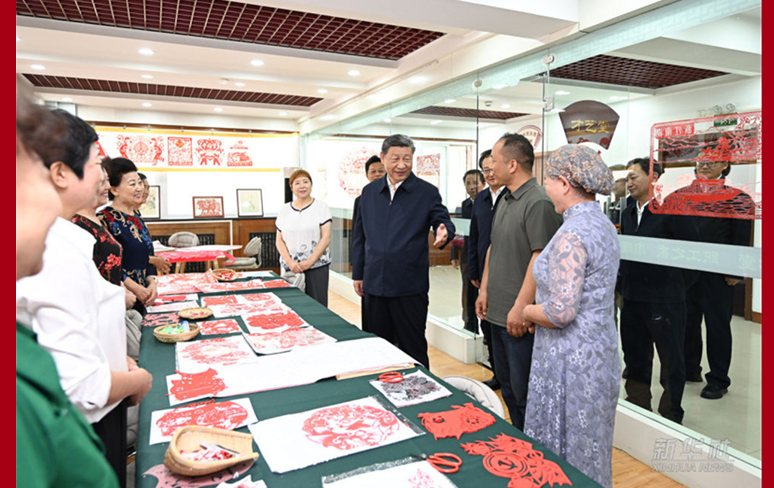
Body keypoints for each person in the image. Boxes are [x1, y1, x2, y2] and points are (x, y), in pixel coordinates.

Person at [16, 109, 153, 488]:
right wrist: (137, 378)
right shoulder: (50, 249)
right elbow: (79, 385)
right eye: (97, 165)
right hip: (95, 413)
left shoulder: (70, 239)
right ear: (60, 173)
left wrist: (115, 358)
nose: (103, 178)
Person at [521, 144, 620, 488]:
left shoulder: (572, 234)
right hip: (599, 353)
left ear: (564, 183)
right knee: (590, 448)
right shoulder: (603, 225)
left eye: (548, 179)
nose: (545, 187)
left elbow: (560, 311)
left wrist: (527, 311)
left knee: (566, 452)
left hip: (570, 362)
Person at [475, 133, 562, 430]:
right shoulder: (505, 198)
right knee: (509, 388)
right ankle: (518, 442)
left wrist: (521, 306)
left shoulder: (538, 202)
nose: (490, 167)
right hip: (497, 311)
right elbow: (493, 247)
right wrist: (484, 289)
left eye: (495, 162)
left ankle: (535, 452)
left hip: (519, 316)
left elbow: (541, 257)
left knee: (526, 392)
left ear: (512, 164)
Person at [352, 134, 455, 368]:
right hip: (374, 283)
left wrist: (444, 230)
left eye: (407, 158)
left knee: (413, 346)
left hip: (409, 285)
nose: (401, 165)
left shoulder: (426, 192)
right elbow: (359, 237)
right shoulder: (368, 193)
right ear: (383, 158)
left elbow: (442, 220)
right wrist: (358, 273)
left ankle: (421, 396)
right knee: (376, 345)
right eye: (395, 158)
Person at [619, 157, 700, 424]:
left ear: (653, 178)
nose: (628, 182)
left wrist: (674, 288)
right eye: (627, 178)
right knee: (635, 357)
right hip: (633, 300)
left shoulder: (674, 209)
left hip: (665, 301)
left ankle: (670, 416)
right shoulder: (629, 209)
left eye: (634, 177)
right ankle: (639, 408)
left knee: (670, 361)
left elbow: (692, 256)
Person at [678, 154, 754, 399]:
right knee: (687, 322)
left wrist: (735, 271)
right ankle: (691, 368)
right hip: (686, 271)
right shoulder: (681, 195)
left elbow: (742, 236)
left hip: (719, 274)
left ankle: (718, 379)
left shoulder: (738, 198)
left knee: (717, 326)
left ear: (725, 165)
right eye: (702, 160)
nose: (705, 164)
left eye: (713, 160)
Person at [468, 149, 508, 390]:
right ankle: (497, 373)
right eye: (486, 170)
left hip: (506, 274)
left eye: (493, 168)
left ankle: (509, 376)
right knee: (486, 325)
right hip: (482, 275)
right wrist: (473, 270)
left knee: (504, 326)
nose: (490, 173)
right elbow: (474, 237)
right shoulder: (481, 199)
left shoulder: (511, 196)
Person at [100, 157, 159, 314]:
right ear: (114, 190)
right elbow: (108, 263)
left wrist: (152, 282)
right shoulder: (104, 219)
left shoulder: (136, 216)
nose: (140, 188)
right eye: (133, 184)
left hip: (145, 296)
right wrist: (135, 288)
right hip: (125, 298)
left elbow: (147, 256)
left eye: (139, 182)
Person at [275, 169, 333, 306]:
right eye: (297, 183)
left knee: (317, 306)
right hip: (291, 268)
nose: (302, 186)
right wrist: (289, 261)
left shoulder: (321, 207)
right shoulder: (284, 210)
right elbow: (279, 240)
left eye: (305, 182)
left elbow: (326, 237)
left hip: (316, 267)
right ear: (292, 188)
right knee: (293, 306)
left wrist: (310, 261)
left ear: (311, 185)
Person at [450, 169, 484, 333]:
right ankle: (469, 324)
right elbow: (458, 231)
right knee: (467, 292)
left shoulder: (488, 203)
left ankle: (486, 326)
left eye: (475, 183)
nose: (471, 187)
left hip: (484, 255)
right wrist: (454, 254)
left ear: (483, 184)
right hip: (466, 255)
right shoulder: (463, 205)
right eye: (468, 183)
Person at [352, 155, 385, 232]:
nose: (377, 174)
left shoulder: (394, 196)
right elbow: (356, 229)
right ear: (367, 175)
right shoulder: (360, 200)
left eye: (381, 171)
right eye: (373, 171)